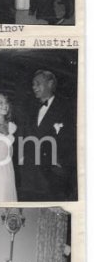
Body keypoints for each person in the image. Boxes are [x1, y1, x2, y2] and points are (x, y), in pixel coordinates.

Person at [18, 69, 77, 201]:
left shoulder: (66, 107)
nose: (34, 87)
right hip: (30, 174)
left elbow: (73, 140)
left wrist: (62, 164)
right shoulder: (30, 108)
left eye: (38, 83)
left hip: (52, 175)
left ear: (50, 84)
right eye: (33, 84)